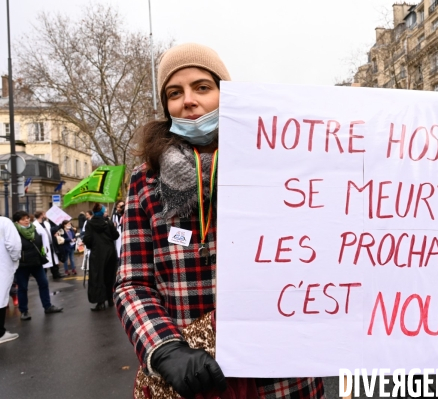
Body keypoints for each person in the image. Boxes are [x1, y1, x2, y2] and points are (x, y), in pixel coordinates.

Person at [114, 43, 325, 399]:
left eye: (202, 87)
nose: (189, 101)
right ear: (167, 106)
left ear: (225, 93)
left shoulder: (278, 167)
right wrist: (164, 348)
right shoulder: (144, 180)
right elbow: (133, 283)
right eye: (174, 93)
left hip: (283, 372)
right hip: (194, 376)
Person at [12, 211, 63, 320]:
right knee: (23, 288)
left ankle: (47, 306)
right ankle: (24, 311)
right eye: (23, 219)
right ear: (17, 222)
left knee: (44, 283)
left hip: (36, 262)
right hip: (22, 265)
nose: (26, 220)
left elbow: (40, 243)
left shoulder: (34, 229)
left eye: (27, 218)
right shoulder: (14, 232)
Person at [83, 203, 119, 311]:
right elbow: (116, 236)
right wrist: (113, 227)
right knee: (109, 276)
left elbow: (87, 239)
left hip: (97, 253)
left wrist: (92, 246)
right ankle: (110, 299)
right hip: (110, 253)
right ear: (102, 212)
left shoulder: (89, 224)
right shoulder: (108, 223)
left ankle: (100, 301)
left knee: (98, 277)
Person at [0, 216, 21, 345]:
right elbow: (14, 245)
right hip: (2, 264)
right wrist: (15, 259)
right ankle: (0, 333)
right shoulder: (4, 222)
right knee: (1, 296)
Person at [32, 211, 59, 275]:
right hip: (43, 246)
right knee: (44, 260)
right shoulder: (34, 224)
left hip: (50, 244)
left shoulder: (46, 223)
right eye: (44, 214)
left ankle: (55, 273)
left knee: (53, 259)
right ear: (41, 215)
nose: (46, 215)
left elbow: (50, 231)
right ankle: (44, 274)